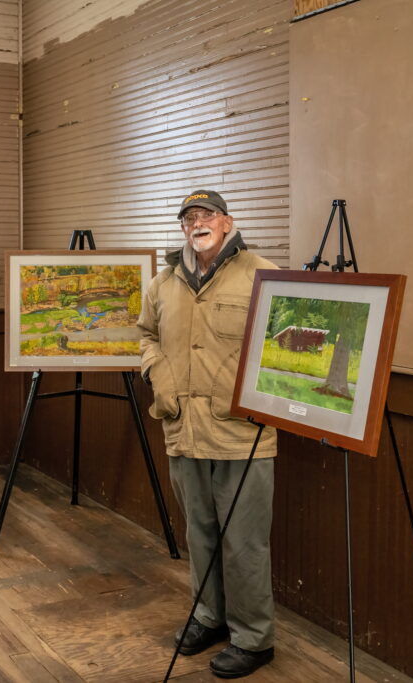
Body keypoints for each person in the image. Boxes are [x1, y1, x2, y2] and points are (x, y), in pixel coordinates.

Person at [138, 190, 278, 679]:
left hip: (243, 434)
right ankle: (208, 617)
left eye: (207, 215)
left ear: (227, 223)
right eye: (189, 218)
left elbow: (282, 344)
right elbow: (147, 335)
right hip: (183, 428)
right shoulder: (163, 283)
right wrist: (158, 375)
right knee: (199, 534)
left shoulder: (264, 274)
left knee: (244, 541)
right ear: (183, 229)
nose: (197, 223)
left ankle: (254, 639)